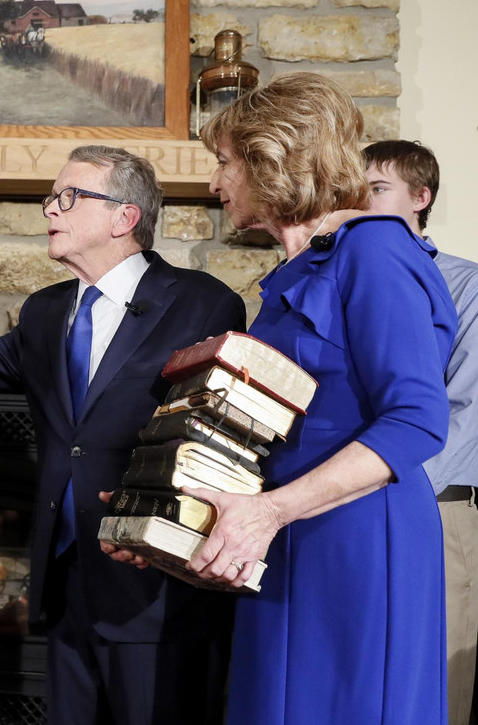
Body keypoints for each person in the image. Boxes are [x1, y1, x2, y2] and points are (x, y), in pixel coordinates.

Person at [0, 145, 246, 724]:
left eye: (68, 197)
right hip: (65, 575)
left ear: (123, 217)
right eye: (53, 198)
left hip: (151, 583)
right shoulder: (46, 311)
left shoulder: (202, 303)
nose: (50, 210)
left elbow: (218, 442)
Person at [171, 73, 454, 724]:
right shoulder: (301, 267)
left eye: (224, 163)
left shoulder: (376, 252)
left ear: (273, 158)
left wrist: (270, 512)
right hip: (287, 533)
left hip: (359, 539)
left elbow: (416, 421)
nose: (215, 184)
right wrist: (176, 510)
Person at [364, 139, 478, 725]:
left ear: (421, 197)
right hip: (347, 507)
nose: (362, 201)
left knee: (433, 685)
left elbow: (464, 412)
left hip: (432, 505)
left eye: (378, 189)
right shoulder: (342, 276)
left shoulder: (466, 287)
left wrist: (376, 486)